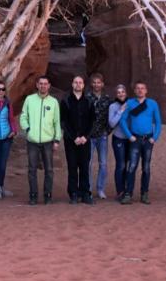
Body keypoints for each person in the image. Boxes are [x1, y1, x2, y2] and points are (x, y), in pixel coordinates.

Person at [20, 75, 61, 205]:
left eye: (45, 83)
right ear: (37, 85)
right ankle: (33, 195)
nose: (43, 86)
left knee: (49, 169)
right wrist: (28, 130)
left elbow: (56, 122)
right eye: (40, 83)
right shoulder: (29, 99)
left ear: (49, 86)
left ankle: (47, 195)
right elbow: (23, 117)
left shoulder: (53, 102)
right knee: (32, 169)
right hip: (32, 141)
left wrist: (57, 139)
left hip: (48, 141)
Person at [119, 81, 162, 205]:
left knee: (146, 167)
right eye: (137, 88)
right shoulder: (130, 103)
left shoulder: (152, 104)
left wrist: (155, 137)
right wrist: (129, 136)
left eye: (142, 88)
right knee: (132, 166)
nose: (140, 90)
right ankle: (128, 194)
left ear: (146, 90)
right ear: (134, 90)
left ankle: (144, 194)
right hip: (135, 139)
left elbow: (158, 122)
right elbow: (122, 120)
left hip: (148, 139)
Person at [60, 75, 95, 204]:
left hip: (85, 140)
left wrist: (86, 136)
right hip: (71, 141)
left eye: (80, 82)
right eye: (76, 82)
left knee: (85, 167)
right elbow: (63, 121)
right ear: (72, 84)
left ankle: (85, 193)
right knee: (72, 167)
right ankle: (73, 193)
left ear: (84, 85)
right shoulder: (66, 101)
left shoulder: (89, 101)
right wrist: (74, 137)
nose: (78, 84)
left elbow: (92, 121)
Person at [86, 73, 111, 199]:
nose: (96, 84)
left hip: (102, 136)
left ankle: (100, 189)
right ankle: (88, 189)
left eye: (99, 82)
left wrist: (107, 130)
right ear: (91, 84)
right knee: (88, 163)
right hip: (89, 136)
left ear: (102, 84)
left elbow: (110, 116)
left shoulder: (107, 99)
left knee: (103, 163)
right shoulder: (87, 97)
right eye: (94, 82)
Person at [108, 84, 129, 200]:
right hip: (118, 138)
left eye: (123, 92)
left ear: (126, 93)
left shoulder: (130, 104)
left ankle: (127, 190)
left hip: (130, 138)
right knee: (120, 165)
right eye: (118, 92)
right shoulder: (113, 106)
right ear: (116, 94)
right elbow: (112, 123)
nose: (121, 94)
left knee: (129, 164)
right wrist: (120, 111)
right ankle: (120, 191)